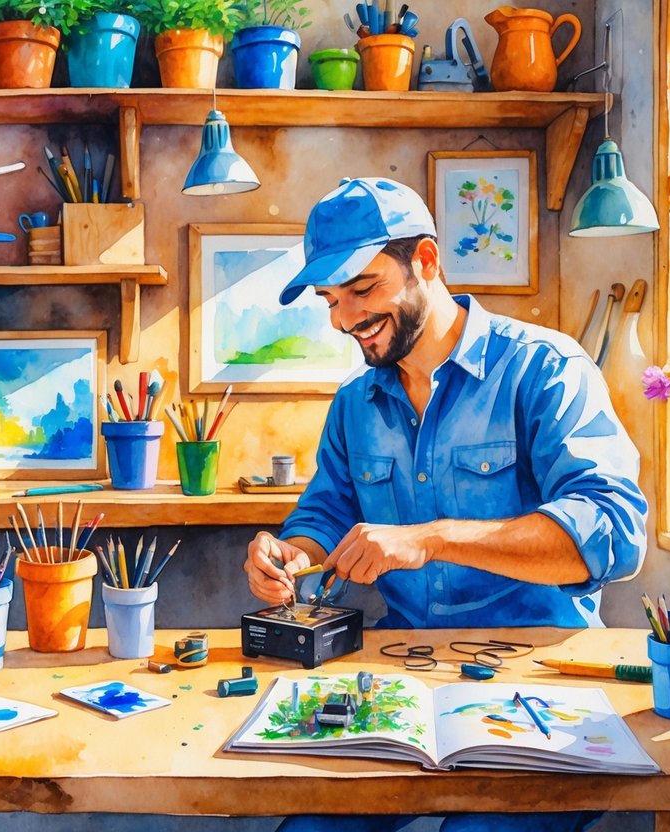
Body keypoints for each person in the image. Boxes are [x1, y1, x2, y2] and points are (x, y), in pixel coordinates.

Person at [242, 178, 647, 832]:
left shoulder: (544, 368)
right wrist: (291, 553)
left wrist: (431, 538)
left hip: (541, 686)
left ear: (425, 261)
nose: (344, 320)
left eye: (363, 289)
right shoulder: (352, 406)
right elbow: (323, 517)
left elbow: (613, 534)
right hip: (403, 681)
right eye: (330, 301)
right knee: (310, 830)